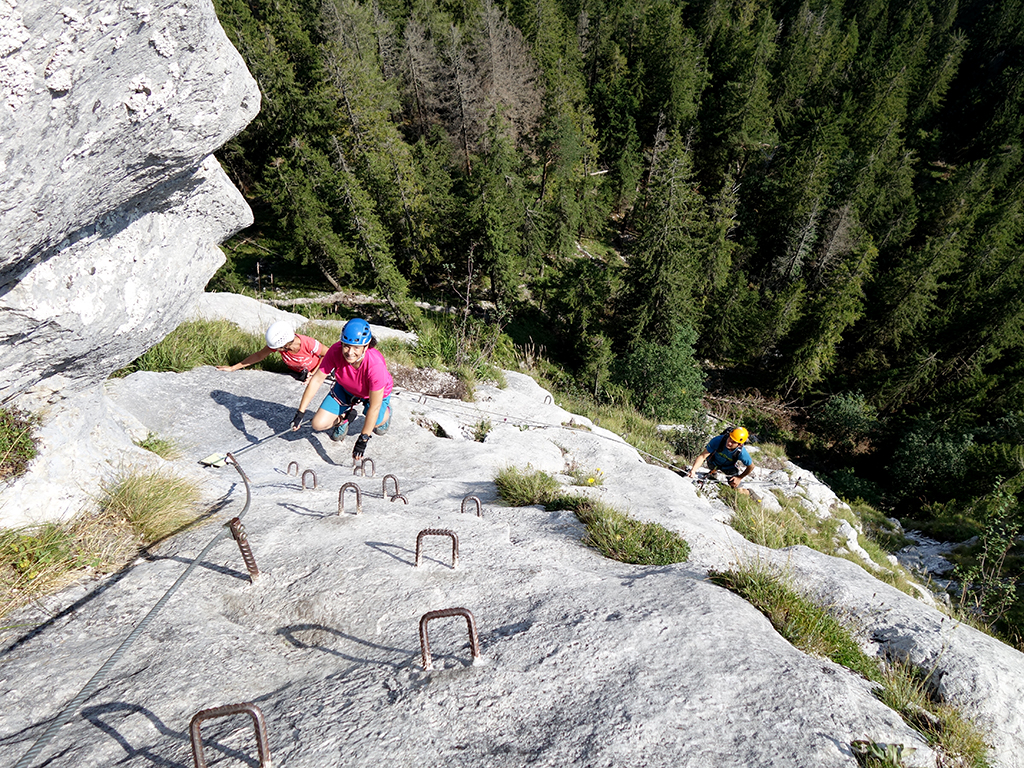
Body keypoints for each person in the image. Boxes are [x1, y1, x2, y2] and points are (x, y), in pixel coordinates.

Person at [290, 318, 393, 462]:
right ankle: (344, 419)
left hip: (371, 395)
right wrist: (300, 412)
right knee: (317, 424)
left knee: (376, 422)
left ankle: (387, 412)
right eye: (346, 346)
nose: (350, 352)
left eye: (356, 347)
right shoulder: (336, 351)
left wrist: (363, 439)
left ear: (366, 345)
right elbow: (317, 379)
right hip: (346, 388)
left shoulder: (375, 365)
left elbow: (375, 406)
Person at [217, 321, 325, 381]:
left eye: (278, 348)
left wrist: (314, 375)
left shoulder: (307, 343)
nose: (275, 350)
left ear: (286, 344)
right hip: (299, 373)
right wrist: (233, 368)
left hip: (320, 370)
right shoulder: (279, 344)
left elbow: (328, 355)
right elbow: (259, 355)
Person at [688, 426, 754, 490]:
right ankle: (713, 473)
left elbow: (751, 467)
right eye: (730, 438)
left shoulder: (742, 453)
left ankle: (749, 492)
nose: (729, 443)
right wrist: (693, 470)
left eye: (733, 442)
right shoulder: (718, 440)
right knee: (712, 467)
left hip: (729, 467)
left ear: (739, 444)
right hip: (713, 463)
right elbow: (703, 456)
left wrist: (739, 478)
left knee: (737, 489)